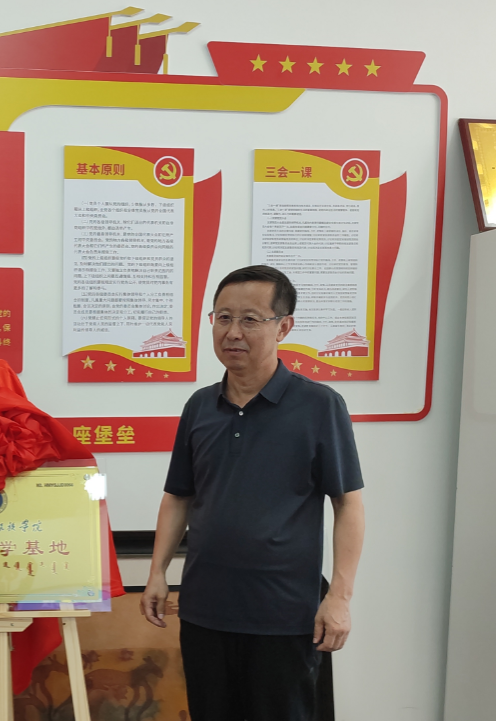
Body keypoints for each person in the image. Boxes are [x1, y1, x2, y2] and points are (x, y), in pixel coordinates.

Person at [140, 265, 365, 720]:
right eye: (223, 318)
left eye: (250, 319)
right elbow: (178, 496)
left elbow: (348, 504)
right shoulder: (200, 406)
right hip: (204, 612)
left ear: (284, 327)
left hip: (284, 614)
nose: (233, 332)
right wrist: (157, 572)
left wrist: (339, 597)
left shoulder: (319, 405)